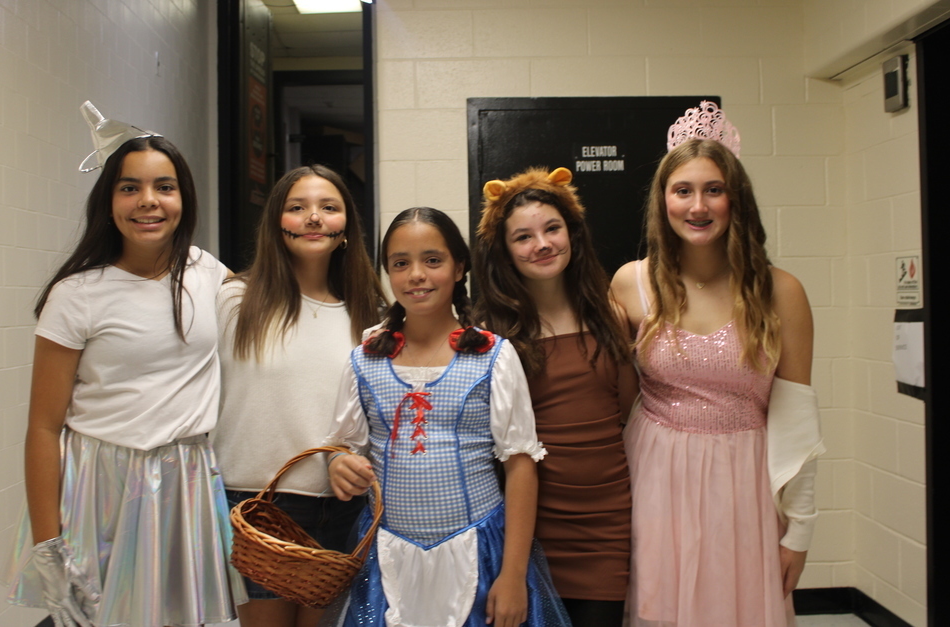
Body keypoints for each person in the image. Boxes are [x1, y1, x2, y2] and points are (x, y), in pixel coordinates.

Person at [3, 102, 244, 627]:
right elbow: (43, 428)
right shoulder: (77, 294)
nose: (148, 201)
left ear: (184, 197)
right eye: (129, 187)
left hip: (185, 484)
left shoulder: (207, 272)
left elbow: (277, 314)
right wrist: (47, 544)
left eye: (164, 186)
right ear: (108, 200)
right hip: (99, 489)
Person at [611, 102, 825, 627]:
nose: (698, 205)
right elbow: (611, 394)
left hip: (744, 482)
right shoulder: (630, 283)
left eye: (714, 189)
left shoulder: (781, 292)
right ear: (663, 200)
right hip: (654, 476)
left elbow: (798, 421)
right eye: (683, 190)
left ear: (736, 199)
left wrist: (799, 531)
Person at [325, 208, 571, 627]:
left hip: (480, 551)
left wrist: (513, 576)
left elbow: (520, 465)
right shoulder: (364, 360)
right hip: (387, 554)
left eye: (433, 260)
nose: (416, 275)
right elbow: (343, 446)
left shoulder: (493, 356)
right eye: (400, 263)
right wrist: (337, 462)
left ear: (459, 268)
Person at [213, 164, 387, 627]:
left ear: (346, 226)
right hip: (256, 507)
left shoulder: (372, 313)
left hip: (340, 508)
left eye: (328, 207)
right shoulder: (233, 301)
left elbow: (375, 414)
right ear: (276, 222)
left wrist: (354, 459)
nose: (313, 217)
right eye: (297, 207)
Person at [473, 166, 636, 627]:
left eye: (552, 229)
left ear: (572, 233)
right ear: (504, 250)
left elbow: (629, 412)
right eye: (523, 237)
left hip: (607, 526)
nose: (542, 244)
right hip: (529, 528)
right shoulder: (490, 333)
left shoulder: (611, 315)